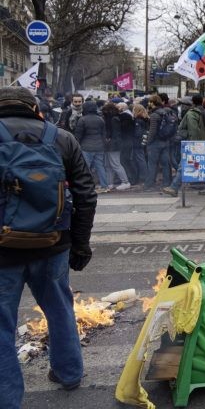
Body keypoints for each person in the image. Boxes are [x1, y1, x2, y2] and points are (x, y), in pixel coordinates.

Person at [0, 87, 97, 409]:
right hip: (53, 243)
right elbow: (85, 193)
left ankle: (7, 398)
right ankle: (69, 373)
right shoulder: (62, 138)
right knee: (59, 310)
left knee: (3, 326)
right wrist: (80, 244)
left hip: (3, 250)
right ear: (34, 108)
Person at [162, 95, 205, 196]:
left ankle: (174, 187)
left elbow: (193, 130)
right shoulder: (201, 112)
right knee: (199, 165)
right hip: (198, 143)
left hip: (192, 144)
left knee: (183, 165)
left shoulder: (191, 114)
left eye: (182, 104)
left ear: (188, 105)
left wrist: (192, 145)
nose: (181, 106)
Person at [73, 100, 110, 193]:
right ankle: (105, 186)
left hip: (86, 147)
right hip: (99, 146)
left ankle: (87, 186)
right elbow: (103, 134)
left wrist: (76, 145)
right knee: (100, 166)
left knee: (86, 167)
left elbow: (78, 135)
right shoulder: (100, 119)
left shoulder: (82, 119)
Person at [143, 95, 172, 192]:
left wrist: (148, 142)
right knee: (165, 164)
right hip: (165, 141)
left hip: (155, 143)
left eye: (150, 102)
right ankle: (167, 183)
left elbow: (152, 131)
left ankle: (149, 184)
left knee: (152, 164)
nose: (148, 104)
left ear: (152, 103)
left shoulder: (154, 115)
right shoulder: (166, 112)